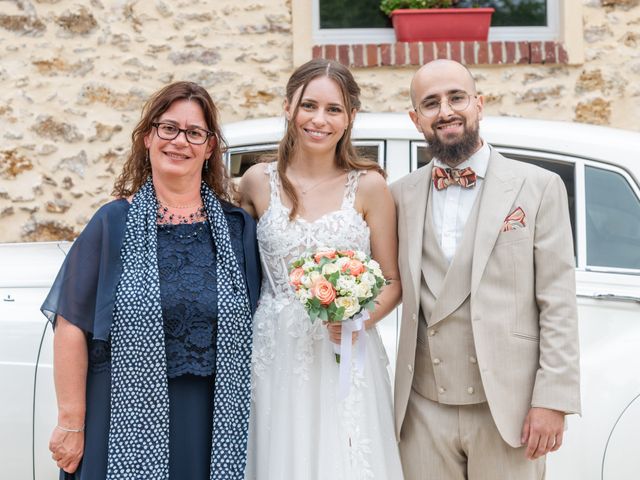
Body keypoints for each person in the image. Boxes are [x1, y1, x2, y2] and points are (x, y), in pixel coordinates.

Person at [41, 81, 261, 480]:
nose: (180, 141)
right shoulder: (113, 223)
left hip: (212, 421)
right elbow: (70, 324)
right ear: (148, 136)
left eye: (195, 133)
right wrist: (71, 423)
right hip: (120, 414)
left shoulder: (236, 228)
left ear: (210, 147)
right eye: (169, 128)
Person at [391, 59, 581, 479]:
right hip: (421, 408)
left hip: (508, 408)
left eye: (456, 97)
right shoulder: (399, 195)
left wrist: (552, 400)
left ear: (478, 103)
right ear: (415, 118)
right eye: (431, 103)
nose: (446, 111)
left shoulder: (538, 186)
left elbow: (558, 302)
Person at [239, 59, 404, 479]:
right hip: (275, 350)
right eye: (308, 105)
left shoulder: (369, 186)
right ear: (288, 107)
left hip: (344, 351)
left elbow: (391, 280)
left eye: (334, 109)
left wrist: (358, 319)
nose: (319, 119)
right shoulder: (257, 182)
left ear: (351, 118)